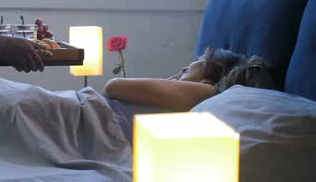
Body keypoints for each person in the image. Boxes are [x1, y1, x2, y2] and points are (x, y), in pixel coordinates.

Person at [102, 47, 277, 112]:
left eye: (198, 61)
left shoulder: (208, 91)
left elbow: (113, 86)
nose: (185, 68)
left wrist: (175, 79)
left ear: (213, 70)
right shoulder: (200, 92)